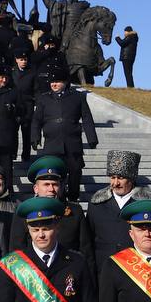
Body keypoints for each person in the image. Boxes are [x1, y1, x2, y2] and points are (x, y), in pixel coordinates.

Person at [31, 61, 99, 202]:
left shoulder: (77, 97)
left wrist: (92, 138)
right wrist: (35, 137)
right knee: (53, 173)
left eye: (57, 81)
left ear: (65, 82)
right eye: (52, 82)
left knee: (75, 172)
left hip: (72, 143)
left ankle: (73, 198)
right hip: (52, 143)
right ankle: (57, 198)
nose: (54, 84)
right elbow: (37, 120)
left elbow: (86, 118)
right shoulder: (44, 98)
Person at [87, 150, 151, 261]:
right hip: (103, 270)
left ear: (131, 178)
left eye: (120, 178)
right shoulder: (96, 203)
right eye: (112, 177)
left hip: (138, 270)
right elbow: (88, 243)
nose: (115, 183)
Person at [8, 156, 93, 260]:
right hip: (34, 273)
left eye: (55, 184)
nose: (51, 189)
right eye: (46, 185)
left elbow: (86, 251)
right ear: (36, 188)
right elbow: (16, 251)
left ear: (61, 187)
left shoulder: (75, 212)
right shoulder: (24, 212)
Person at [10, 49, 36, 164]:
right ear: (16, 60)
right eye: (21, 60)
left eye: (25, 59)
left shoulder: (32, 72)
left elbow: (36, 89)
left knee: (27, 132)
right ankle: (13, 153)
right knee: (13, 132)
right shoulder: (11, 72)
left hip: (27, 106)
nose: (24, 62)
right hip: (15, 106)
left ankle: (26, 154)